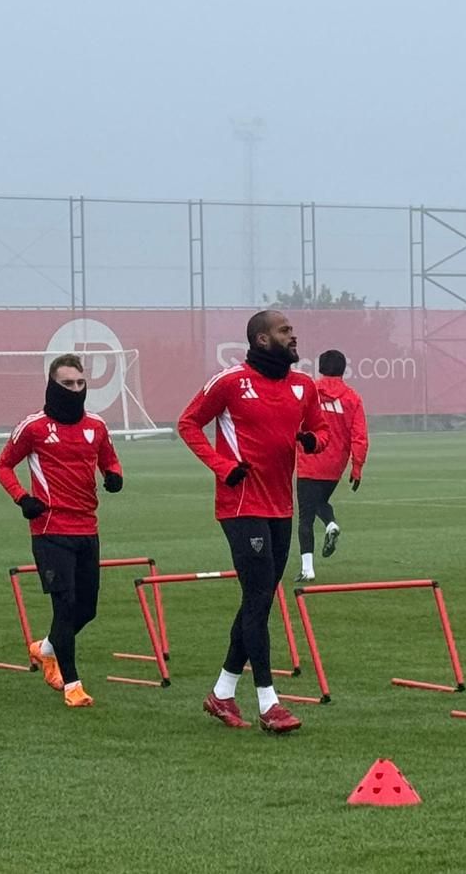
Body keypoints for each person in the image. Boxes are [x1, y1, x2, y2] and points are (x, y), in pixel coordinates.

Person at [180, 310, 328, 735]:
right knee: (260, 598)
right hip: (241, 504)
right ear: (262, 340)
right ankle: (269, 703)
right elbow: (188, 423)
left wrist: (313, 440)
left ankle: (222, 692)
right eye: (285, 331)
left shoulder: (304, 386)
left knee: (257, 600)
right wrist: (221, 465)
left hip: (282, 506)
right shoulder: (230, 382)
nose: (293, 334)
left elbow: (320, 430)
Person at [0, 354, 124, 708]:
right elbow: (3, 466)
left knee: (87, 609)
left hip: (88, 528)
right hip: (50, 529)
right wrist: (22, 498)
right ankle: (72, 684)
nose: (76, 389)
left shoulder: (95, 426)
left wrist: (113, 475)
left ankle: (46, 648)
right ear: (53, 385)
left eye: (81, 383)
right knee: (64, 605)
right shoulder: (33, 427)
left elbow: (108, 458)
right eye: (68, 384)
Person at [295, 350, 369, 582]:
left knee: (305, 516)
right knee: (319, 502)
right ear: (343, 369)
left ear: (320, 367)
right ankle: (331, 524)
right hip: (335, 465)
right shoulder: (352, 397)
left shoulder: (310, 391)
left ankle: (308, 568)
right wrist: (356, 466)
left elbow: (293, 420)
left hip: (309, 460)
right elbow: (360, 435)